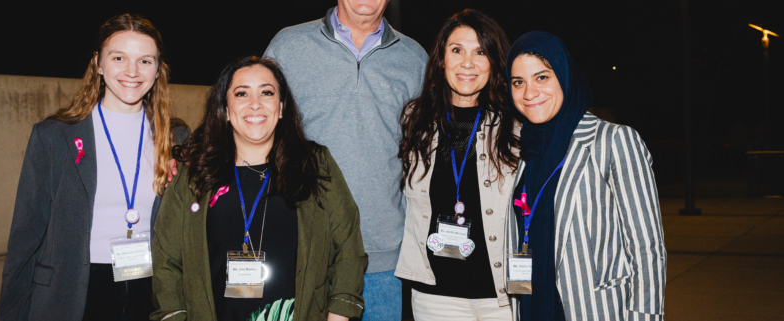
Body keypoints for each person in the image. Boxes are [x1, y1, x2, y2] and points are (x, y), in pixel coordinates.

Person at [0, 14, 189, 321]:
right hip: (72, 291)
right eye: (119, 58)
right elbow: (25, 238)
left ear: (158, 70)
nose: (131, 71)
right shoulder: (54, 136)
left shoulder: (177, 138)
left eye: (144, 61)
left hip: (149, 290)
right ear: (99, 63)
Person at [151, 57, 367, 321]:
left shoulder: (315, 164)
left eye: (267, 92)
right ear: (226, 110)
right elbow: (167, 262)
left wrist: (340, 314)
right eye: (242, 93)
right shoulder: (193, 174)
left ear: (281, 108)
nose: (255, 103)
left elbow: (348, 249)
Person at [262, 2, 427, 318]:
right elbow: (250, 118)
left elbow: (429, 147)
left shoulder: (414, 58)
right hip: (304, 250)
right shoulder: (288, 45)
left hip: (382, 259)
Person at [504, 31, 666, 320]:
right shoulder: (523, 149)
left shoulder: (613, 140)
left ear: (565, 76)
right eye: (518, 82)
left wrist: (645, 316)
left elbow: (646, 248)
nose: (529, 93)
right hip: (531, 305)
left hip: (594, 309)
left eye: (542, 77)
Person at [394, 9, 520, 321]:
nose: (467, 63)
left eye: (480, 52)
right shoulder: (414, 120)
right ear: (441, 59)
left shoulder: (517, 125)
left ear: (494, 61)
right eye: (457, 50)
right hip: (434, 297)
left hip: (503, 297)